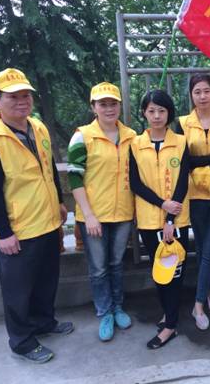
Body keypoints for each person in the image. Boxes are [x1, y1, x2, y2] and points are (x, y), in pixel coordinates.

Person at [0, 68, 73, 363]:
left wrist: (59, 202)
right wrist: (4, 232)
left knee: (46, 281)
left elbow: (49, 167)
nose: (22, 101)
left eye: (26, 95)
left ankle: (44, 322)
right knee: (17, 291)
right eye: (13, 97)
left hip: (47, 221)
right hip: (18, 230)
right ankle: (21, 341)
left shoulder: (37, 127)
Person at [67, 82, 136, 341]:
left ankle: (118, 307)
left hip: (123, 214)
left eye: (113, 104)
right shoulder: (82, 136)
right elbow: (74, 178)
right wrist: (89, 215)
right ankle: (104, 312)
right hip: (93, 216)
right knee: (98, 268)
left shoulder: (131, 136)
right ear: (93, 107)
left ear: (120, 106)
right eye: (103, 104)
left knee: (116, 264)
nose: (109, 109)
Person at [129, 89, 190, 348]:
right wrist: (161, 203)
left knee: (173, 274)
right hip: (147, 220)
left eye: (161, 111)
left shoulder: (181, 142)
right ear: (144, 113)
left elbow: (182, 182)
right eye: (151, 110)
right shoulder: (135, 144)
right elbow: (135, 183)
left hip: (176, 221)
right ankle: (169, 314)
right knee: (159, 273)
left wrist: (169, 218)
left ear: (169, 113)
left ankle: (170, 326)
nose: (156, 116)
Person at [176, 74, 210, 330]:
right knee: (201, 248)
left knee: (209, 249)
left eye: (206, 91)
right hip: (196, 195)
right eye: (197, 92)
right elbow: (182, 160)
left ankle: (198, 304)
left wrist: (202, 161)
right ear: (191, 95)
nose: (202, 96)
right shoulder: (182, 123)